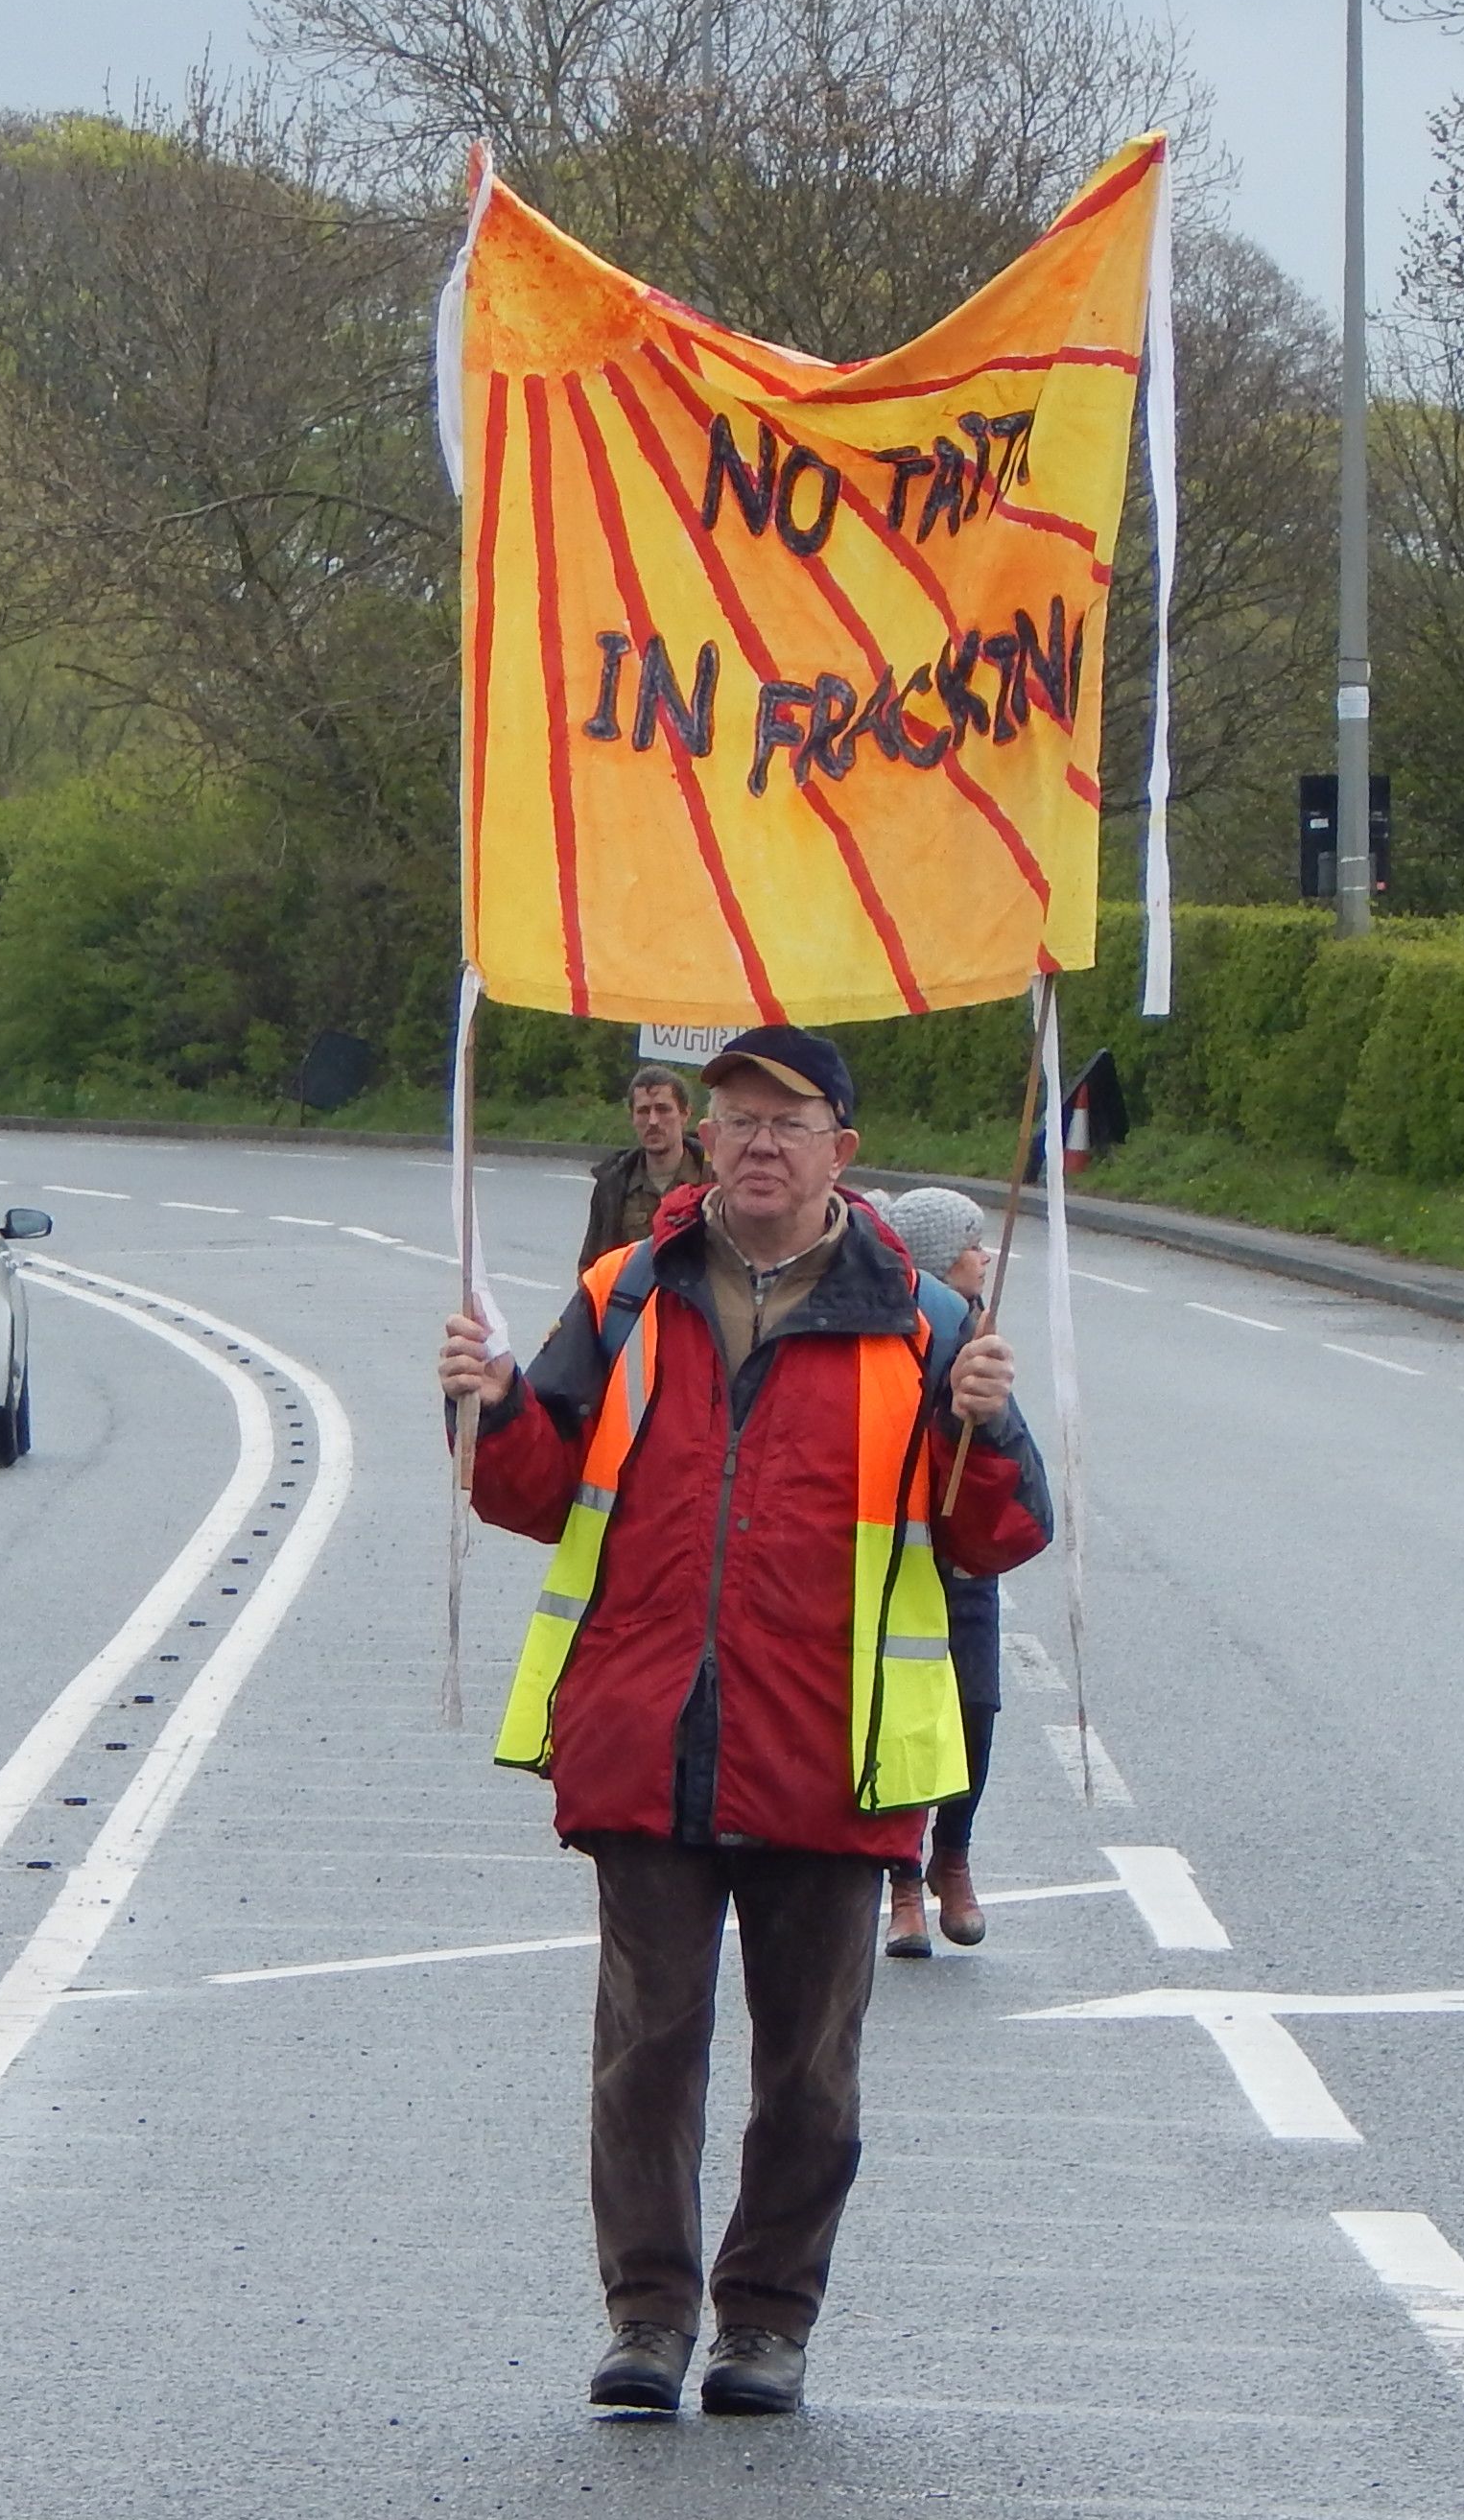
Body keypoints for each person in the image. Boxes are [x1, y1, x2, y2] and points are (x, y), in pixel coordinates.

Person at [441, 1026, 1052, 2419]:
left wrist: (992, 1435)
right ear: (702, 1140)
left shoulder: (926, 1323)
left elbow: (991, 1539)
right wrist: (482, 1409)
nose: (757, 1143)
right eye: (735, 1119)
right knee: (645, 2048)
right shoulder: (625, 1293)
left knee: (809, 2074)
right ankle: (647, 2318)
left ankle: (765, 2325)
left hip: (831, 1756)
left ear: (844, 1150)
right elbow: (536, 1493)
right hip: (647, 1733)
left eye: (788, 1123)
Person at [865, 1186, 1002, 1962]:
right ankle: (902, 1885)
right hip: (903, 1552)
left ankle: (954, 1856)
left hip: (965, 1556)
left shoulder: (978, 1330)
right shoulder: (910, 1327)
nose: (982, 1257)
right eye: (970, 1244)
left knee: (975, 1707)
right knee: (907, 1714)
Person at [579, 1063, 712, 1265]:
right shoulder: (613, 1185)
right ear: (632, 1117)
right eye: (643, 1111)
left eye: (663, 1109)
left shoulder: (713, 1178)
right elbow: (592, 1267)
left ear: (685, 1114)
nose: (653, 1121)